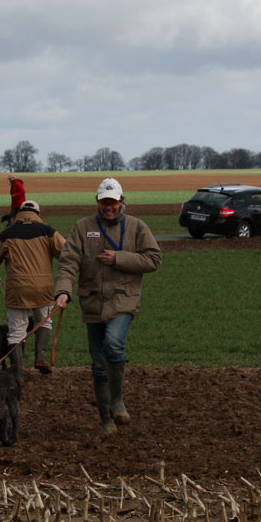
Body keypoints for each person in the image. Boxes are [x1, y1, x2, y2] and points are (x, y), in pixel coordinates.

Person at [54, 178, 162, 436]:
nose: (109, 207)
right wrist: (63, 291)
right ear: (98, 202)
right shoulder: (82, 228)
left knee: (114, 342)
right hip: (91, 301)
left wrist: (119, 258)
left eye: (113, 202)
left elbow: (154, 259)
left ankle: (118, 401)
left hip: (123, 300)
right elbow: (68, 263)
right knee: (98, 364)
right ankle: (106, 419)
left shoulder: (137, 227)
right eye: (104, 202)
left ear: (122, 201)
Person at [0, 199, 66, 378]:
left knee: (16, 331)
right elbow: (66, 252)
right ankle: (40, 357)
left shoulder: (6, 234)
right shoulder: (48, 231)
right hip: (42, 288)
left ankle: (18, 372)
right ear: (38, 214)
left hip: (17, 289)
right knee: (44, 321)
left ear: (20, 213)